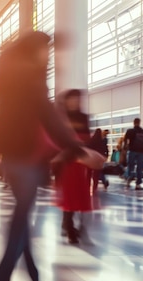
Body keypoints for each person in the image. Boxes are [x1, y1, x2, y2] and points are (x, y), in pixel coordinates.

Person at [0, 31, 87, 281]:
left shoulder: (8, 78)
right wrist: (80, 149)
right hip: (28, 163)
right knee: (16, 235)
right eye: (46, 49)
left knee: (22, 228)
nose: (49, 56)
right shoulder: (31, 77)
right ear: (35, 51)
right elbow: (51, 119)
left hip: (13, 161)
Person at [55, 89, 93, 244]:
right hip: (66, 161)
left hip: (80, 161)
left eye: (77, 99)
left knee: (78, 193)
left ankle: (68, 223)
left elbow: (87, 138)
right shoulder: (62, 117)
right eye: (72, 99)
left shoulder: (83, 117)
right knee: (69, 194)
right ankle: (70, 228)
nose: (75, 102)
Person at [123, 117, 143, 190]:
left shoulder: (130, 131)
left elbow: (125, 140)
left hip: (132, 151)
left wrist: (125, 148)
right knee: (140, 168)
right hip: (141, 153)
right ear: (139, 123)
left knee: (130, 166)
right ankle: (138, 185)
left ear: (134, 123)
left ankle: (129, 180)